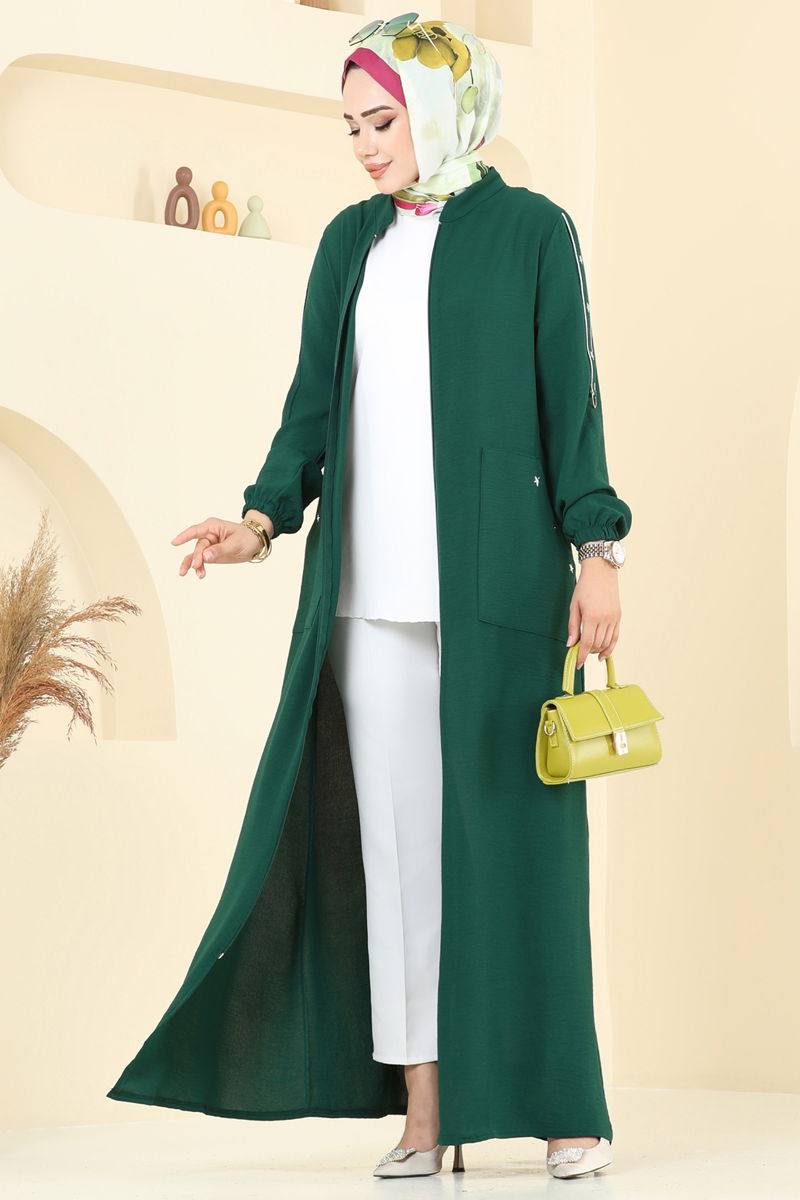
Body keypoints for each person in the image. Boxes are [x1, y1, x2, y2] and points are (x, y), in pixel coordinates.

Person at [124, 13, 629, 1185]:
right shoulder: (349, 243)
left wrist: (596, 547)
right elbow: (310, 406)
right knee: (398, 862)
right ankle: (423, 1107)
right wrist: (260, 519)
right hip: (364, 600)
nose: (362, 145)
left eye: (381, 121)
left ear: (443, 108)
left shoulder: (531, 231)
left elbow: (571, 396)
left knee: (521, 848)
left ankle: (560, 1104)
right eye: (350, 125)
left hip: (498, 590)